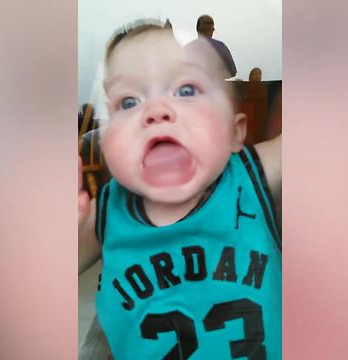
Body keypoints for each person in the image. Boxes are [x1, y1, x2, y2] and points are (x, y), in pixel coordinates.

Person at [78, 19, 281, 359]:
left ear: (235, 132)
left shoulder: (252, 175)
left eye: (186, 90)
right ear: (106, 140)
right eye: (128, 102)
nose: (157, 111)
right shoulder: (106, 211)